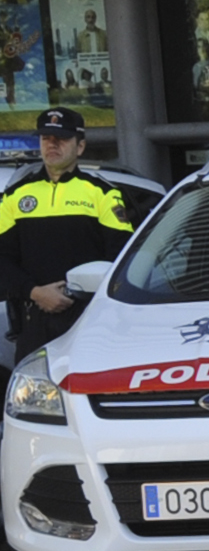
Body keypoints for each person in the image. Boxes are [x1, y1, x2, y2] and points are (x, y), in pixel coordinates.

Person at [0, 108, 132, 368]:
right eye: (46, 138)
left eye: (61, 139)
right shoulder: (14, 195)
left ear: (80, 146)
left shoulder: (103, 194)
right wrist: (35, 293)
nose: (52, 144)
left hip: (89, 318)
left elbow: (120, 260)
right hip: (33, 317)